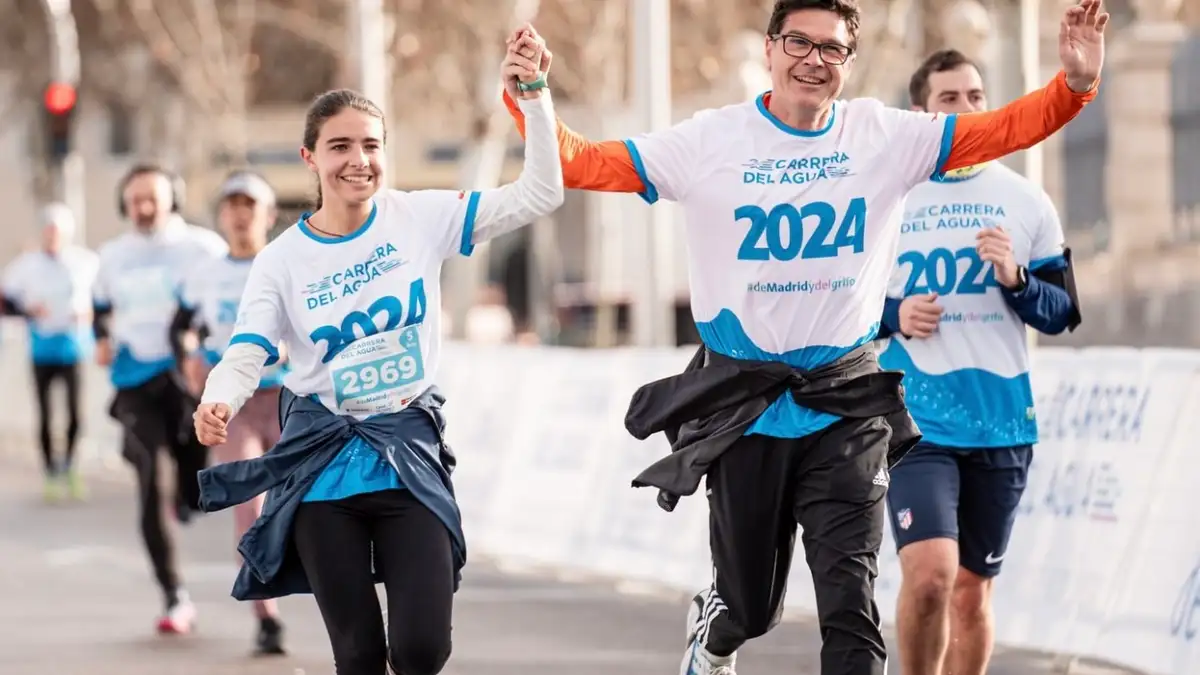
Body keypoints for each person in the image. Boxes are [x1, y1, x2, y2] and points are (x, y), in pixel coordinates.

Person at [502, 1, 1108, 673]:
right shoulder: (710, 142)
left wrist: (1073, 86)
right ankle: (717, 627)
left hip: (845, 401)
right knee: (751, 602)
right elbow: (578, 162)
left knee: (850, 607)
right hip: (746, 402)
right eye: (799, 43)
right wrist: (529, 95)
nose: (813, 61)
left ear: (848, 63)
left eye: (832, 50)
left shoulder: (885, 135)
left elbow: (1001, 130)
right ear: (769, 49)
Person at [190, 39, 563, 675]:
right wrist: (218, 397)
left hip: (407, 457)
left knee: (423, 650)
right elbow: (250, 347)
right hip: (322, 468)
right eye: (339, 146)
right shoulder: (281, 260)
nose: (358, 161)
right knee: (360, 656)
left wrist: (534, 97)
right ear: (310, 157)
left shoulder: (420, 217)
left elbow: (541, 193)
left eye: (371, 145)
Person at [875, 49, 1080, 675]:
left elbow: (1063, 311)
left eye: (975, 97)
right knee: (932, 577)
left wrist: (1016, 278)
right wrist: (893, 314)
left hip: (1000, 422)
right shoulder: (889, 201)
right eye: (949, 100)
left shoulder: (1024, 200)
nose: (966, 110)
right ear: (921, 114)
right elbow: (833, 304)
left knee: (971, 592)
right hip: (917, 424)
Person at [93, 164, 228, 635]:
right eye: (134, 200)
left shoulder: (203, 248)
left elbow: (225, 300)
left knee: (194, 483)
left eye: (152, 197)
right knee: (153, 473)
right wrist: (102, 337)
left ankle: (185, 494)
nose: (144, 208)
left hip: (188, 381)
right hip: (135, 379)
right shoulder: (112, 255)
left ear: (174, 198)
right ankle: (174, 595)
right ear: (123, 205)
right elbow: (101, 306)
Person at [170, 170, 289, 655]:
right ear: (222, 215)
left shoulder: (287, 263)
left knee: (314, 502)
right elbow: (180, 327)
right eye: (232, 205)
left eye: (250, 205)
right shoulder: (205, 274)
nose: (241, 214)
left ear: (268, 215)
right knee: (249, 505)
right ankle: (267, 615)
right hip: (233, 404)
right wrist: (191, 358)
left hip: (289, 400)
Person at [0, 203, 98, 502]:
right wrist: (29, 312)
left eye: (58, 231)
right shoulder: (26, 265)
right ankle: (50, 472)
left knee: (75, 415)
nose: (53, 236)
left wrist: (91, 314)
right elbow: (5, 300)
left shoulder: (85, 262)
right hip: (41, 349)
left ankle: (68, 465)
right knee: (45, 415)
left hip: (73, 348)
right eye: (49, 230)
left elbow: (104, 297)